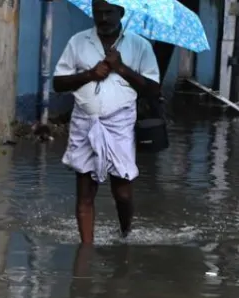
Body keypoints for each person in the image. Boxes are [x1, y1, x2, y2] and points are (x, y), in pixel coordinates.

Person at [53, 0, 161, 244]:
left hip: (120, 125)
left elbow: (153, 89)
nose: (102, 18)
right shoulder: (77, 42)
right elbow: (58, 83)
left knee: (122, 192)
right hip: (85, 122)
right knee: (84, 193)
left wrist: (121, 68)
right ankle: (86, 252)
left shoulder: (139, 45)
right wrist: (90, 74)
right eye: (97, 12)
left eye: (108, 12)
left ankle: (125, 234)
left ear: (121, 13)